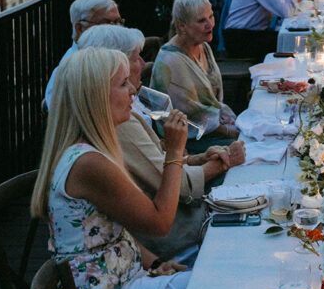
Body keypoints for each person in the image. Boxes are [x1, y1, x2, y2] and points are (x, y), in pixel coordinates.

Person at [31, 47, 190, 289]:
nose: (133, 89)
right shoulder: (89, 163)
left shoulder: (91, 150)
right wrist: (174, 152)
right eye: (122, 84)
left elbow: (110, 232)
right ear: (95, 97)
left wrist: (155, 263)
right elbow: (160, 223)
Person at [77, 25, 246, 259]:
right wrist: (219, 162)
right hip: (175, 236)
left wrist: (198, 158)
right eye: (136, 59)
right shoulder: (116, 125)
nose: (144, 65)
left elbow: (161, 163)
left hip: (152, 245)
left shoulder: (120, 111)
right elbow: (168, 206)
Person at [151, 0, 239, 151]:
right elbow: (195, 120)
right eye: (201, 20)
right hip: (187, 142)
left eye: (211, 16)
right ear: (181, 26)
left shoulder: (202, 45)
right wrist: (232, 132)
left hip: (213, 129)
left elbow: (211, 106)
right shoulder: (171, 61)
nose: (210, 24)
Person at [43, 0, 122, 108]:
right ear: (79, 28)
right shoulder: (71, 73)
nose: (117, 30)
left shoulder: (107, 57)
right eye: (107, 23)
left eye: (118, 22)